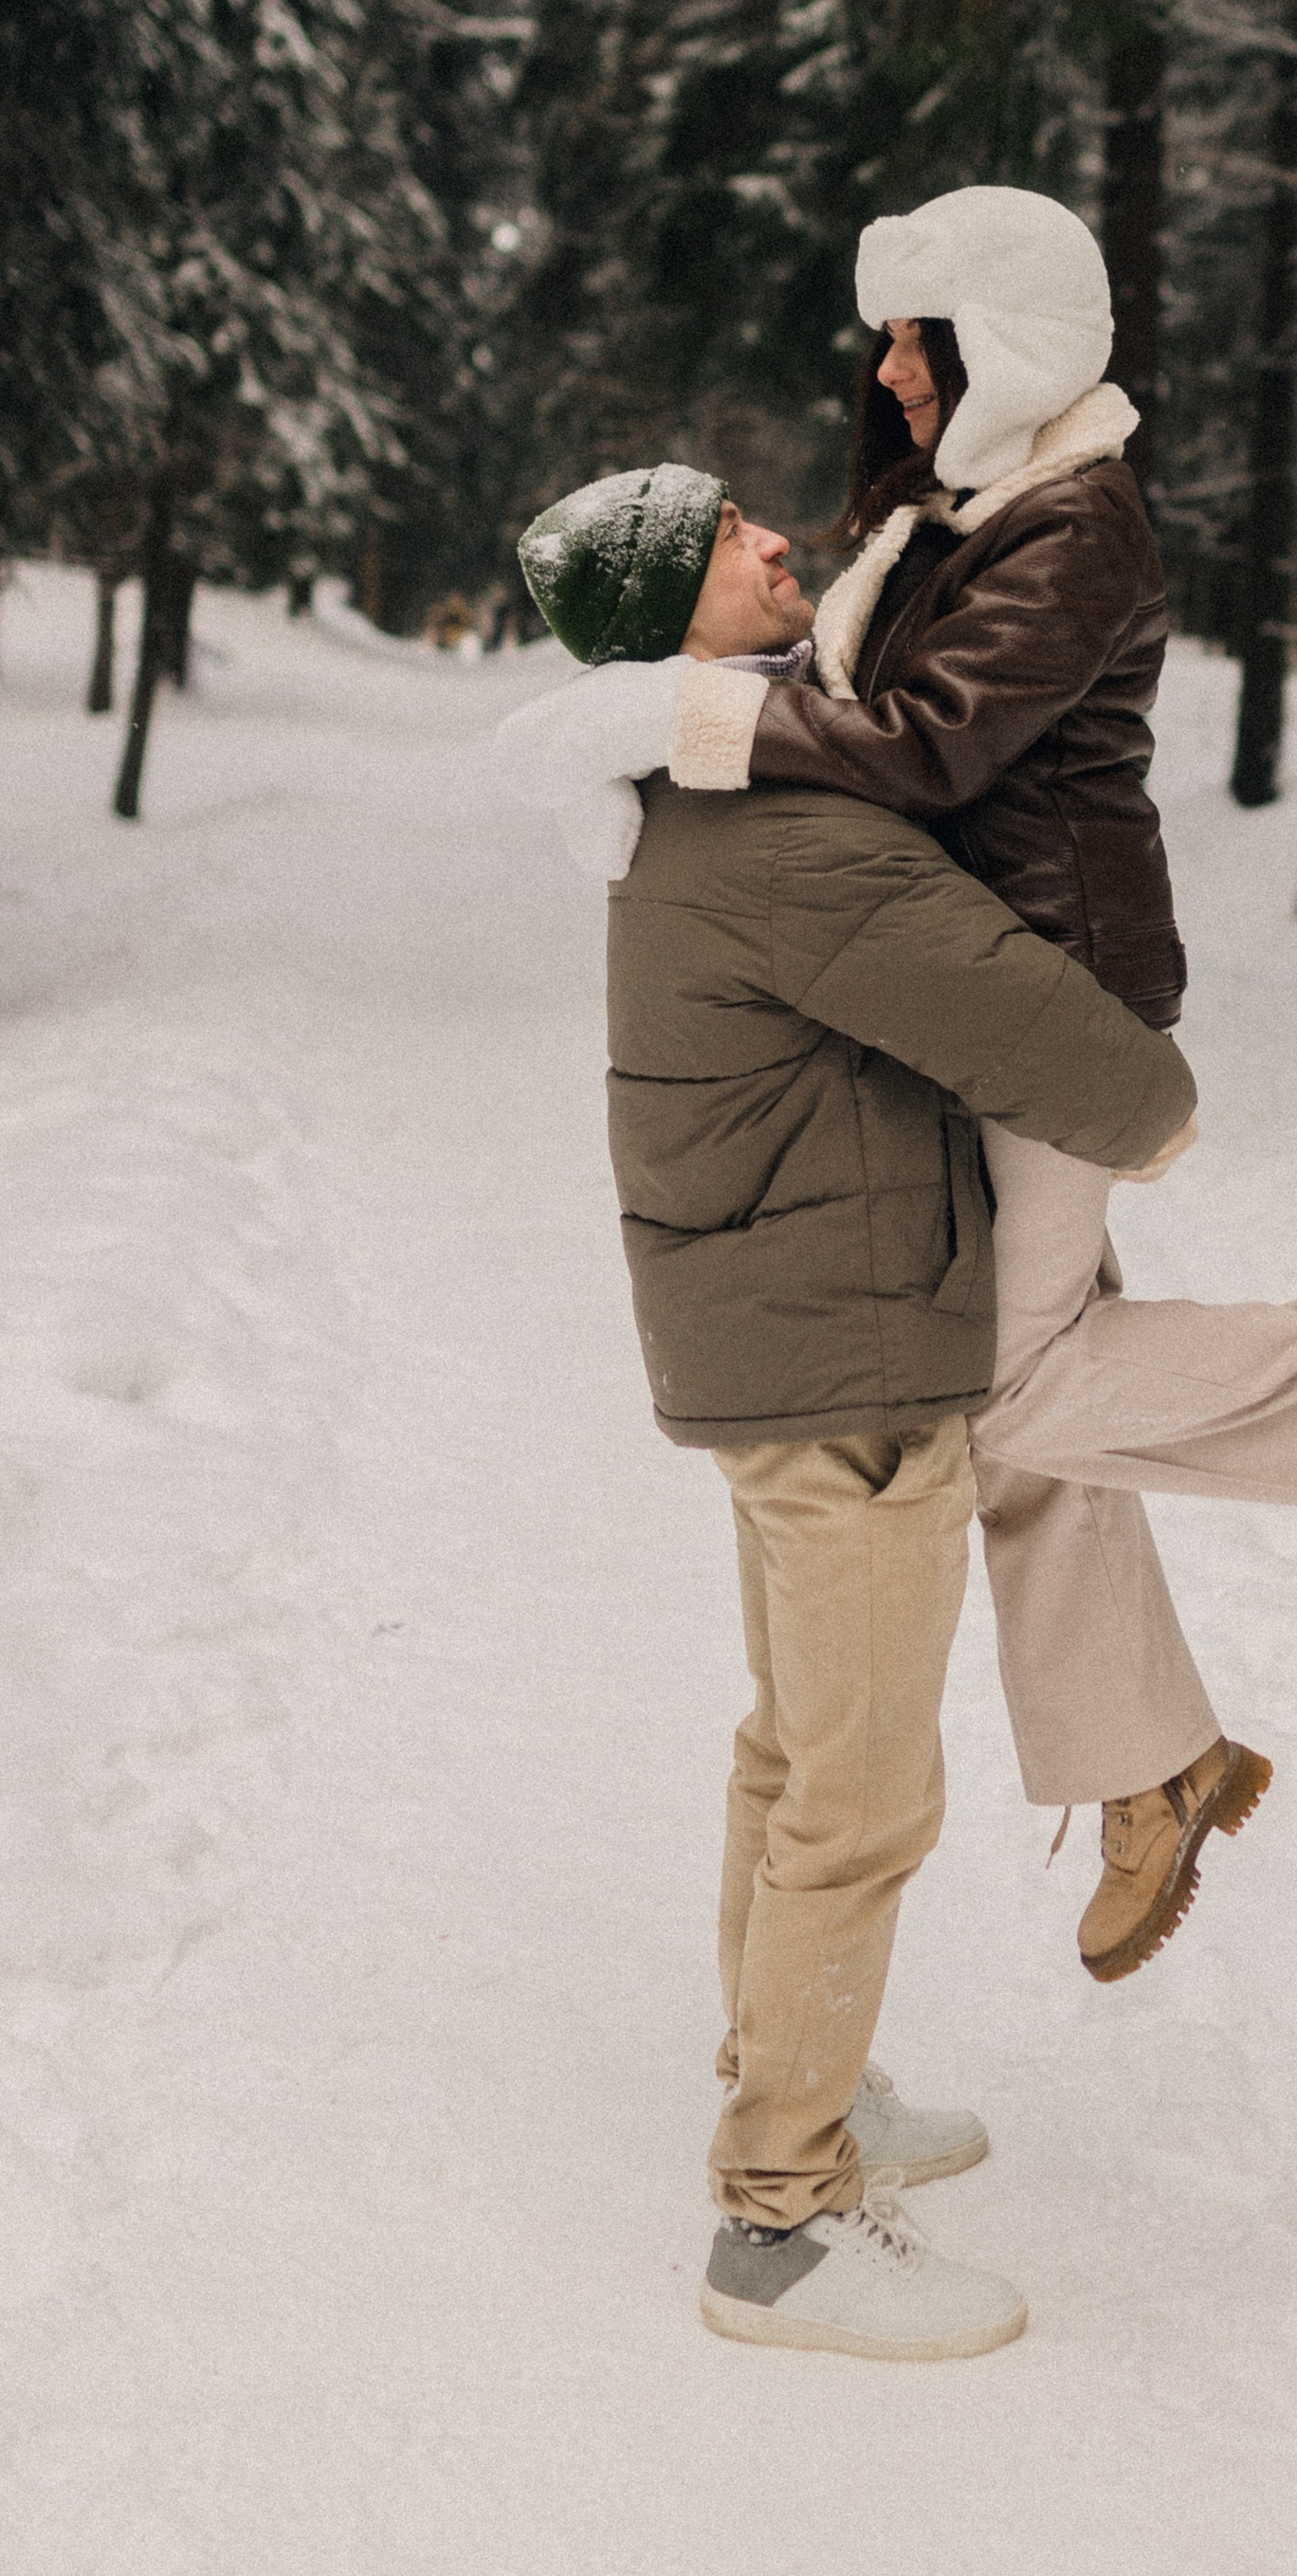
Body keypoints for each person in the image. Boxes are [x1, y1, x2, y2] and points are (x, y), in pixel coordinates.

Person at [507, 191, 1297, 1995]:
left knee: (995, 1395)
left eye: (919, 337)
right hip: (965, 991)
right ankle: (1156, 1764)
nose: (888, 370)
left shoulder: (1075, 520)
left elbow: (929, 751)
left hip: (1044, 989)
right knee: (1013, 1404)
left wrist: (690, 722)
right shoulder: (970, 508)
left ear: (1005, 335)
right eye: (889, 342)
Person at [509, 459, 1200, 2358]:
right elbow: (1070, 1059)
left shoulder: (684, 807)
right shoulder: (781, 837)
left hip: (783, 1345)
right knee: (860, 1792)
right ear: (673, 614)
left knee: (790, 1752)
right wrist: (1157, 1109)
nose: (780, 545)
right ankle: (780, 2218)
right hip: (849, 1357)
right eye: (732, 540)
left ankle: (791, 2071)